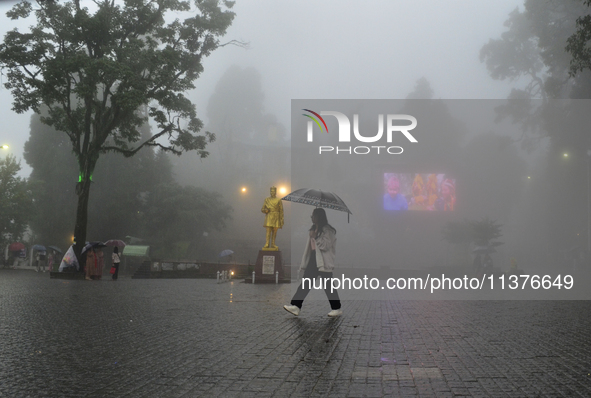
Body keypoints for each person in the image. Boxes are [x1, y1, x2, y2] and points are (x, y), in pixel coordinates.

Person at [283, 208, 342, 317]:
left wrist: (316, 237)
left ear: (319, 217)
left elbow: (326, 246)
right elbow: (311, 247)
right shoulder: (314, 229)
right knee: (306, 282)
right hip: (313, 259)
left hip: (324, 261)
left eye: (313, 216)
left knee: (328, 285)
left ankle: (336, 308)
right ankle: (296, 306)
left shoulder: (328, 230)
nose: (312, 218)